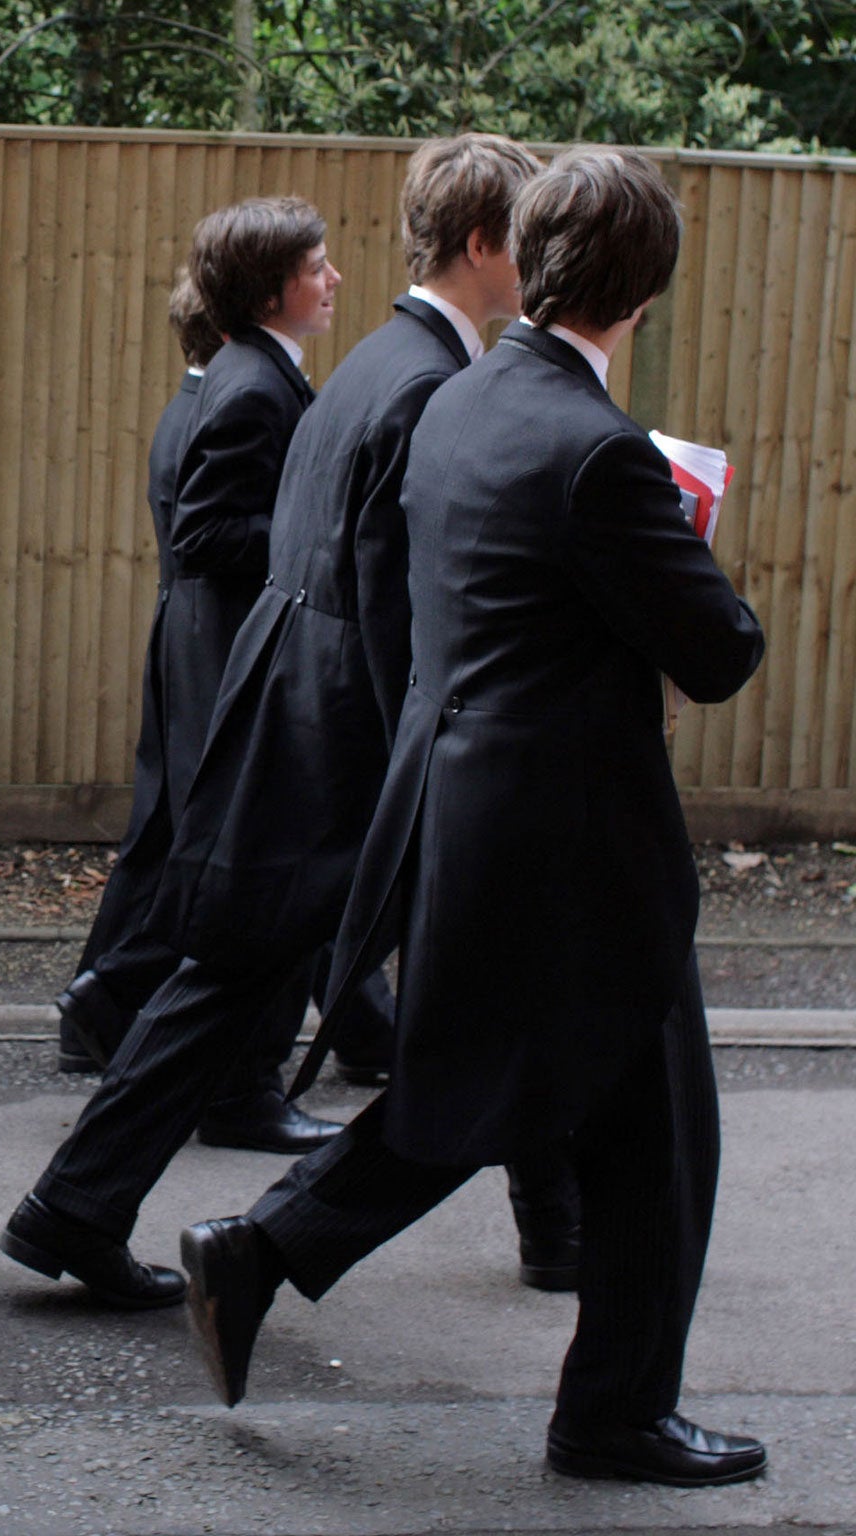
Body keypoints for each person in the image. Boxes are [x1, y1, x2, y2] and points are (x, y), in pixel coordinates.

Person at [181, 146, 769, 1488]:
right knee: (654, 1130)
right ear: (649, 284)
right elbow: (721, 648)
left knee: (502, 1092)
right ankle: (608, 1413)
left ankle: (264, 1253)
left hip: (460, 809)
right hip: (577, 842)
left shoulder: (466, 401)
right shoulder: (602, 453)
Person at [6, 134, 582, 1309]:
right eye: (530, 248)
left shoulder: (379, 361)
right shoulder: (425, 383)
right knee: (494, 982)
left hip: (296, 726)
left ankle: (71, 1207)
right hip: (350, 747)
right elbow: (405, 595)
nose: (541, 271)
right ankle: (550, 1233)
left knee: (231, 987)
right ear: (485, 246)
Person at [58, 196, 352, 1154]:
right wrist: (324, 536)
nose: (333, 278)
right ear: (271, 286)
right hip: (227, 646)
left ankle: (128, 1002)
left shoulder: (246, 374)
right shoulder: (255, 387)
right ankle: (223, 1073)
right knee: (247, 864)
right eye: (315, 266)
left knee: (212, 854)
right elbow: (210, 531)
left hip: (207, 640)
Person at [53, 273, 217, 1074]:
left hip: (176, 644)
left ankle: (98, 1003)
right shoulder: (219, 410)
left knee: (159, 841)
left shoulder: (184, 409)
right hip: (204, 653)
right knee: (197, 843)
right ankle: (104, 999)